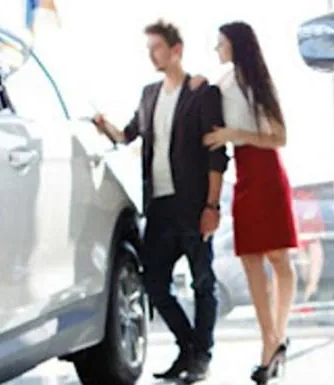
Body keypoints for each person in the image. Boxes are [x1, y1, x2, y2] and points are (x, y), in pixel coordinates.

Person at [93, 19, 228, 383]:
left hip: (194, 204)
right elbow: (128, 136)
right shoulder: (149, 93)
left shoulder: (202, 93)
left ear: (176, 50)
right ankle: (190, 349)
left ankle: (201, 356)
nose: (151, 54)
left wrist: (212, 207)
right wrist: (104, 127)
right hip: (159, 207)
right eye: (148, 48)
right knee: (154, 283)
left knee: (203, 283)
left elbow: (218, 155)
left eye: (156, 47)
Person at [203, 21, 298, 384]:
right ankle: (270, 339)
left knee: (278, 256)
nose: (217, 49)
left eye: (221, 43)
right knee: (250, 259)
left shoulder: (260, 82)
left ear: (236, 45)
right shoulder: (221, 83)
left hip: (268, 173)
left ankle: (275, 336)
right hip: (243, 175)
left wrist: (234, 134)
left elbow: (280, 136)